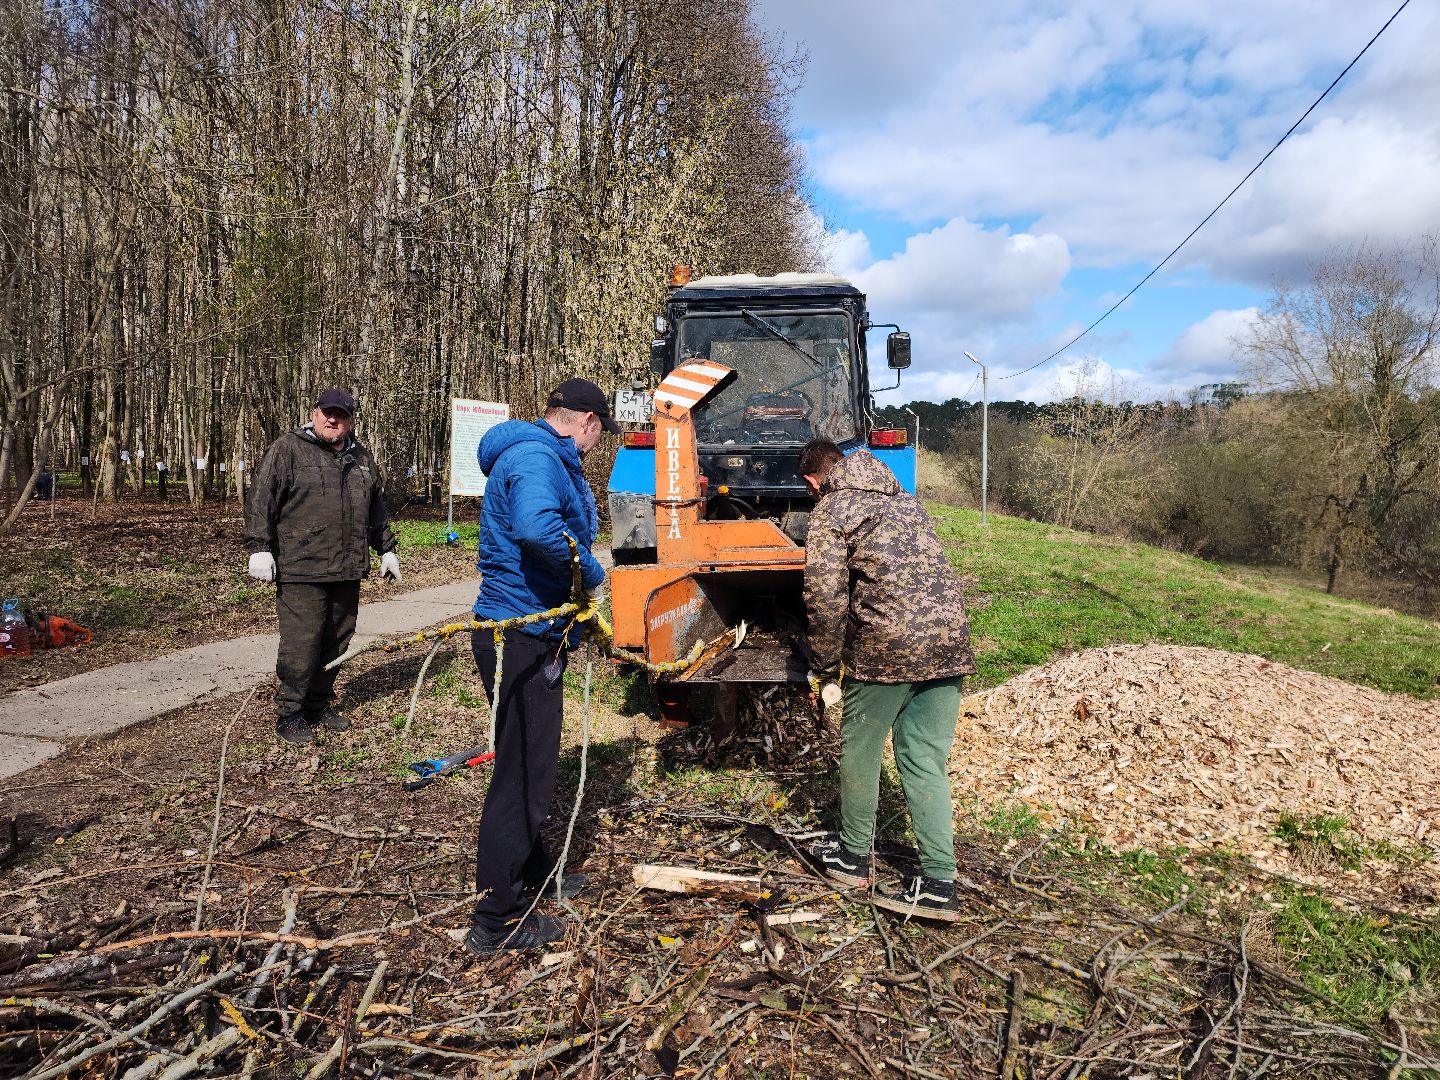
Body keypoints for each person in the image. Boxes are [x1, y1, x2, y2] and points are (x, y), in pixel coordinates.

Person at [465, 378, 618, 955]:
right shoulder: (537, 457)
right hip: (518, 636)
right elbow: (535, 529)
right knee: (522, 775)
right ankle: (497, 917)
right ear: (585, 422)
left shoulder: (540, 454)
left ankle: (533, 875)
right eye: (599, 434)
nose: (597, 445)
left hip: (531, 633)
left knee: (533, 765)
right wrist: (591, 572)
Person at [799, 437, 976, 916]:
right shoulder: (905, 502)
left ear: (814, 480)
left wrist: (821, 664)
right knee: (924, 760)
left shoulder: (832, 508)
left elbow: (824, 596)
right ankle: (940, 883)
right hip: (950, 644)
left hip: (887, 647)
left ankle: (853, 858)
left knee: (860, 751)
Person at [243, 389, 401, 746]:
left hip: (347, 567)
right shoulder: (288, 450)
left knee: (337, 640)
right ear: (314, 413)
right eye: (327, 413)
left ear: (351, 420)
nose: (333, 420)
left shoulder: (361, 458)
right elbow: (260, 498)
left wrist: (387, 550)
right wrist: (258, 547)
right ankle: (291, 712)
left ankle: (318, 704)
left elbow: (374, 510)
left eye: (341, 415)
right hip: (302, 567)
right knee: (303, 641)